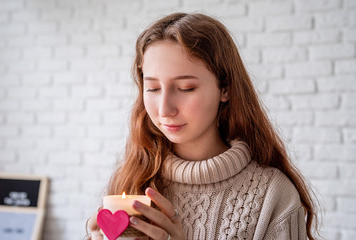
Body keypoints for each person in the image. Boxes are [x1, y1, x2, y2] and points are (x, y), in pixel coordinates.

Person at [86, 12, 319, 240]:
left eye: (186, 88)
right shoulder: (131, 180)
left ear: (225, 89)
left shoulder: (273, 195)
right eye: (153, 88)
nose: (164, 109)